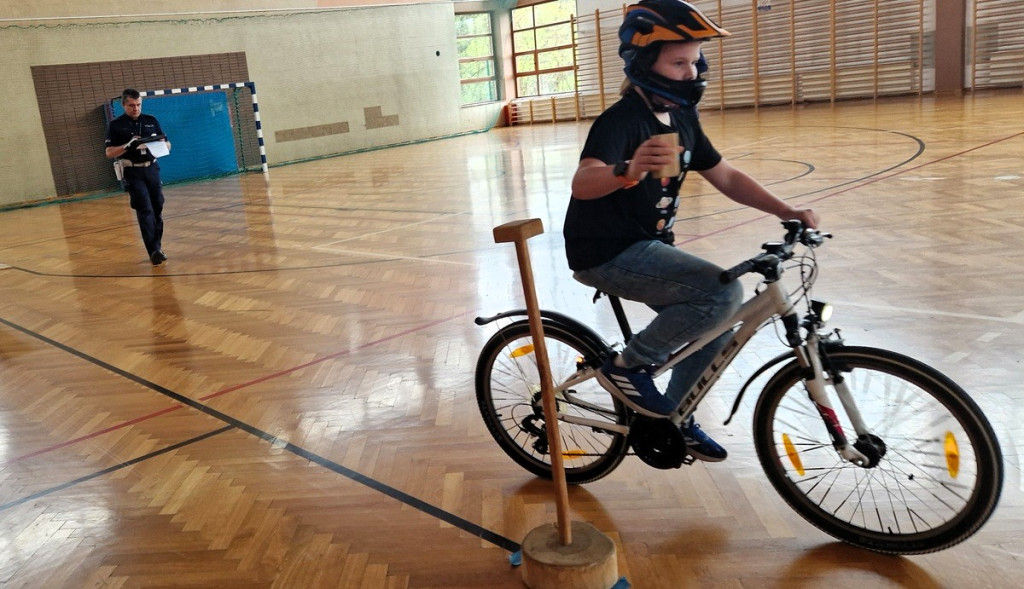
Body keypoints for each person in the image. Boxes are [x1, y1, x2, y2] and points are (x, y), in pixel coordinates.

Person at [562, 0, 819, 462]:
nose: (691, 71)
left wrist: (787, 210)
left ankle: (674, 417)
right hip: (606, 252)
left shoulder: (682, 118)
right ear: (645, 63)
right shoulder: (621, 120)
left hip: (648, 247)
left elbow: (726, 176)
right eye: (679, 62)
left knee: (721, 316)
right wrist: (628, 169)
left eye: (696, 61)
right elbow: (583, 183)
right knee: (719, 295)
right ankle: (627, 368)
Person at [105, 88, 172, 266]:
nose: (135, 108)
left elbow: (167, 143)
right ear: (124, 105)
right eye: (131, 105)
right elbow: (110, 152)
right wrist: (128, 145)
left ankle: (157, 246)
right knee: (145, 209)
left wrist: (163, 144)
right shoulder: (116, 125)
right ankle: (153, 251)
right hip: (133, 171)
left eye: (138, 105)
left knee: (157, 206)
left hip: (152, 169)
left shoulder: (151, 120)